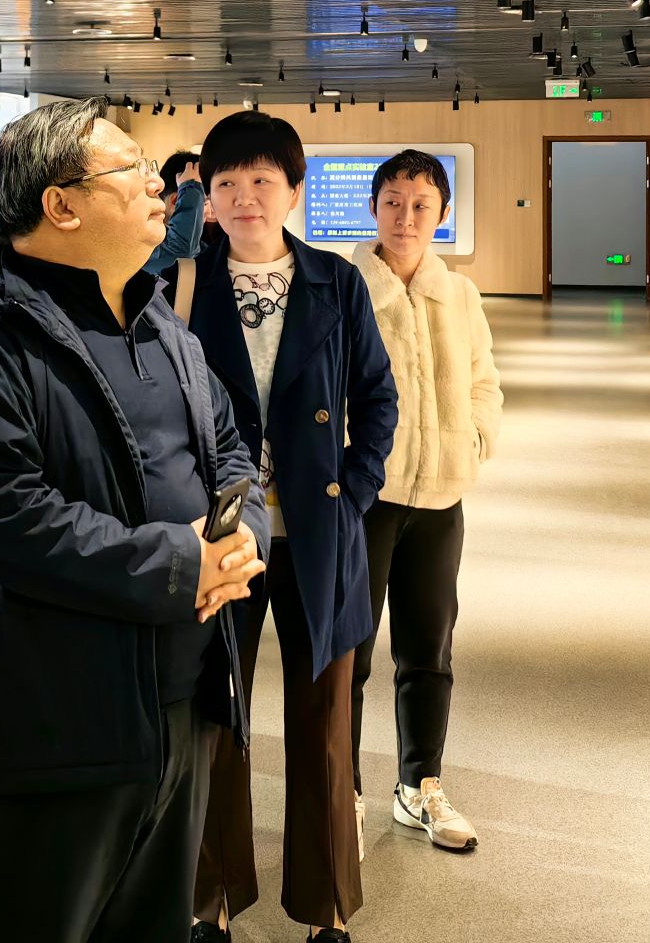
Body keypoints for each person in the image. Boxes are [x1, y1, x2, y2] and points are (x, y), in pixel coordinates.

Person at [0, 97, 267, 943]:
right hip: (50, 728)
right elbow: (5, 519)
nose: (159, 184)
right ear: (61, 206)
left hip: (175, 708)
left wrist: (238, 532)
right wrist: (181, 563)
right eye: (130, 169)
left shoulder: (159, 321)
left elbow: (228, 446)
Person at [183, 111, 398, 943]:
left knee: (325, 728)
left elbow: (377, 396)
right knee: (215, 716)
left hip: (319, 530)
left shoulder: (335, 282)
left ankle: (327, 908)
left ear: (295, 190)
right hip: (220, 537)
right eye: (227, 183)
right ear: (208, 195)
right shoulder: (183, 285)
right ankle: (211, 902)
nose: (245, 197)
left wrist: (355, 493)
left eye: (262, 181)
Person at [348, 150, 502, 854]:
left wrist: (474, 440)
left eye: (421, 205)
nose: (405, 218)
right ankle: (342, 791)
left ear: (442, 214)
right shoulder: (345, 288)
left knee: (429, 650)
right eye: (393, 202)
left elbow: (483, 380)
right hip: (367, 497)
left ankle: (420, 785)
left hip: (441, 497)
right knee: (350, 651)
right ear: (374, 208)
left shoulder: (459, 294)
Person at [144, 147, 206, 278]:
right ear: (176, 201)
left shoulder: (202, 247)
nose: (211, 213)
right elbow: (180, 256)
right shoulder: (145, 241)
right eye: (203, 203)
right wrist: (191, 187)